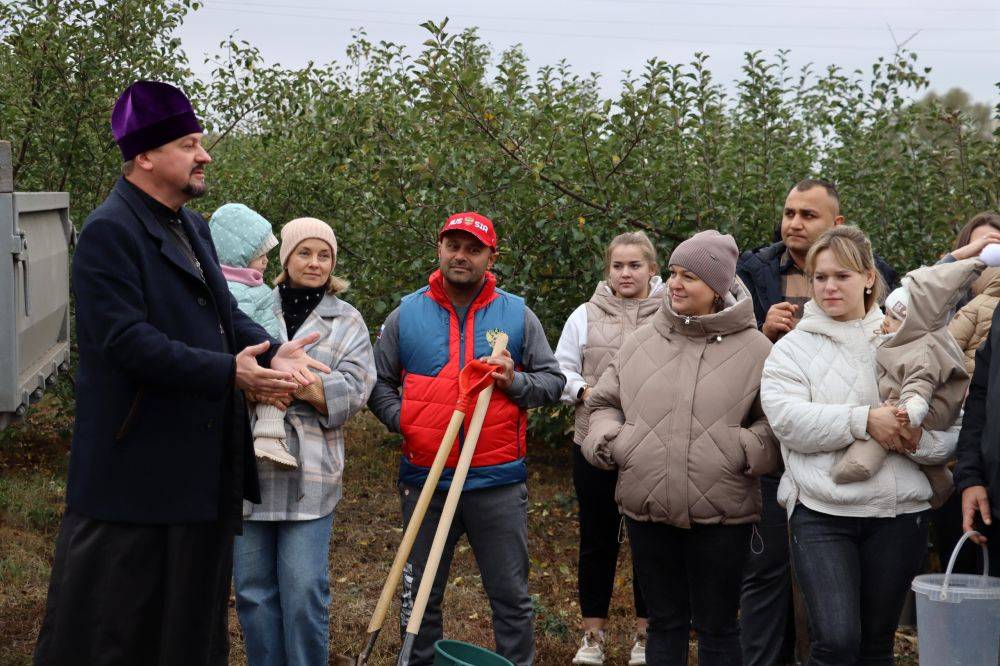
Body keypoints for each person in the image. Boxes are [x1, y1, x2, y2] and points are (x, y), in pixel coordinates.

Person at [34, 81, 328, 665]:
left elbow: (225, 316)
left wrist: (271, 351)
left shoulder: (191, 226)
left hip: (198, 475)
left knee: (189, 633)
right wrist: (231, 374)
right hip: (133, 479)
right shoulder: (109, 233)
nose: (205, 155)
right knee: (116, 633)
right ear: (145, 155)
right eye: (189, 143)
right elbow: (125, 343)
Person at [368, 212, 565, 666]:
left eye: (473, 249)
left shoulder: (516, 314)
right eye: (453, 246)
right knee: (419, 598)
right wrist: (406, 420)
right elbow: (377, 382)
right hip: (425, 479)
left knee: (511, 598)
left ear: (491, 256)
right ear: (439, 249)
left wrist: (515, 381)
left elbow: (552, 381)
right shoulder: (407, 312)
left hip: (496, 481)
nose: (461, 256)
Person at [760, 226, 958, 665]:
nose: (829, 286)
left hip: (899, 514)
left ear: (869, 277)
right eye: (820, 277)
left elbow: (952, 421)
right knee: (835, 641)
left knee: (875, 645)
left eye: (842, 276)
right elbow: (788, 421)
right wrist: (864, 420)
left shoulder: (906, 336)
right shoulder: (792, 350)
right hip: (822, 512)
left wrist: (913, 441)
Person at [582, 230, 778, 666]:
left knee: (718, 626)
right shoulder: (640, 344)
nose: (674, 283)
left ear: (717, 287)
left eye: (689, 275)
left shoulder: (758, 351)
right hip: (646, 507)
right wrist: (614, 441)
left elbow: (775, 424)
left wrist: (741, 448)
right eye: (672, 272)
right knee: (664, 623)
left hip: (723, 514)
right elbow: (604, 404)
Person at [735, 178, 897, 666]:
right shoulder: (752, 268)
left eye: (808, 215)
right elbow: (727, 343)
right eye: (789, 213)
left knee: (851, 631)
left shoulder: (879, 282)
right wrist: (762, 331)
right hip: (773, 454)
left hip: (866, 481)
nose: (794, 224)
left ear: (838, 226)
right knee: (767, 576)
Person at [233, 217, 376, 665]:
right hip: (248, 473)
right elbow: (226, 367)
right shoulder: (248, 304)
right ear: (285, 258)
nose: (314, 263)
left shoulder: (347, 320)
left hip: (311, 473)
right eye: (304, 253)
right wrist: (302, 379)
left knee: (303, 593)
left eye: (324, 255)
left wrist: (277, 380)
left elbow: (354, 392)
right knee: (253, 593)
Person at [555, 231, 662, 665]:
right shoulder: (585, 314)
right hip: (593, 442)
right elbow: (560, 369)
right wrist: (585, 394)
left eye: (635, 265)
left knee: (649, 539)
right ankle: (592, 638)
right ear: (608, 270)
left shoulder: (670, 312)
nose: (625, 273)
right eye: (618, 266)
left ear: (652, 270)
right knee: (597, 539)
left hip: (651, 444)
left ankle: (644, 636)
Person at [829, 255, 998, 505]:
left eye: (894, 318)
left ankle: (860, 462)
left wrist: (909, 409)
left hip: (913, 410)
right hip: (914, 414)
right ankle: (943, 486)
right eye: (886, 314)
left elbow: (920, 383)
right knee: (916, 453)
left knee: (888, 432)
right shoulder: (900, 341)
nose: (886, 321)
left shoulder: (923, 351)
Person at [209, 202, 300, 468]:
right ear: (240, 254)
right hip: (258, 355)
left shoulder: (215, 283)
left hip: (228, 366)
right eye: (260, 254)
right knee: (276, 387)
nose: (266, 261)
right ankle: (269, 437)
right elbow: (258, 327)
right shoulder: (252, 290)